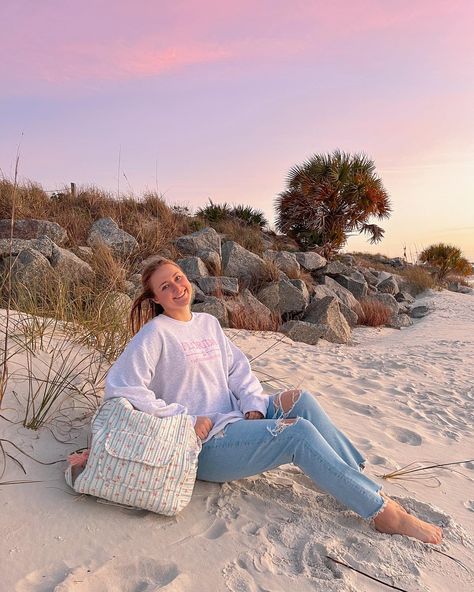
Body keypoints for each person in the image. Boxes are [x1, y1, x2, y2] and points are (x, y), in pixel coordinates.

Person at [104, 256, 442, 544]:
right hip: (207, 445)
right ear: (156, 299)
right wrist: (184, 418)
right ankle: (382, 514)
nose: (177, 287)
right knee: (297, 433)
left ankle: (359, 481)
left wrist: (252, 403)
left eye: (178, 277)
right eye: (165, 286)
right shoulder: (155, 333)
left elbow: (237, 369)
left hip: (235, 417)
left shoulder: (206, 323)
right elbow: (122, 387)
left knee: (301, 400)